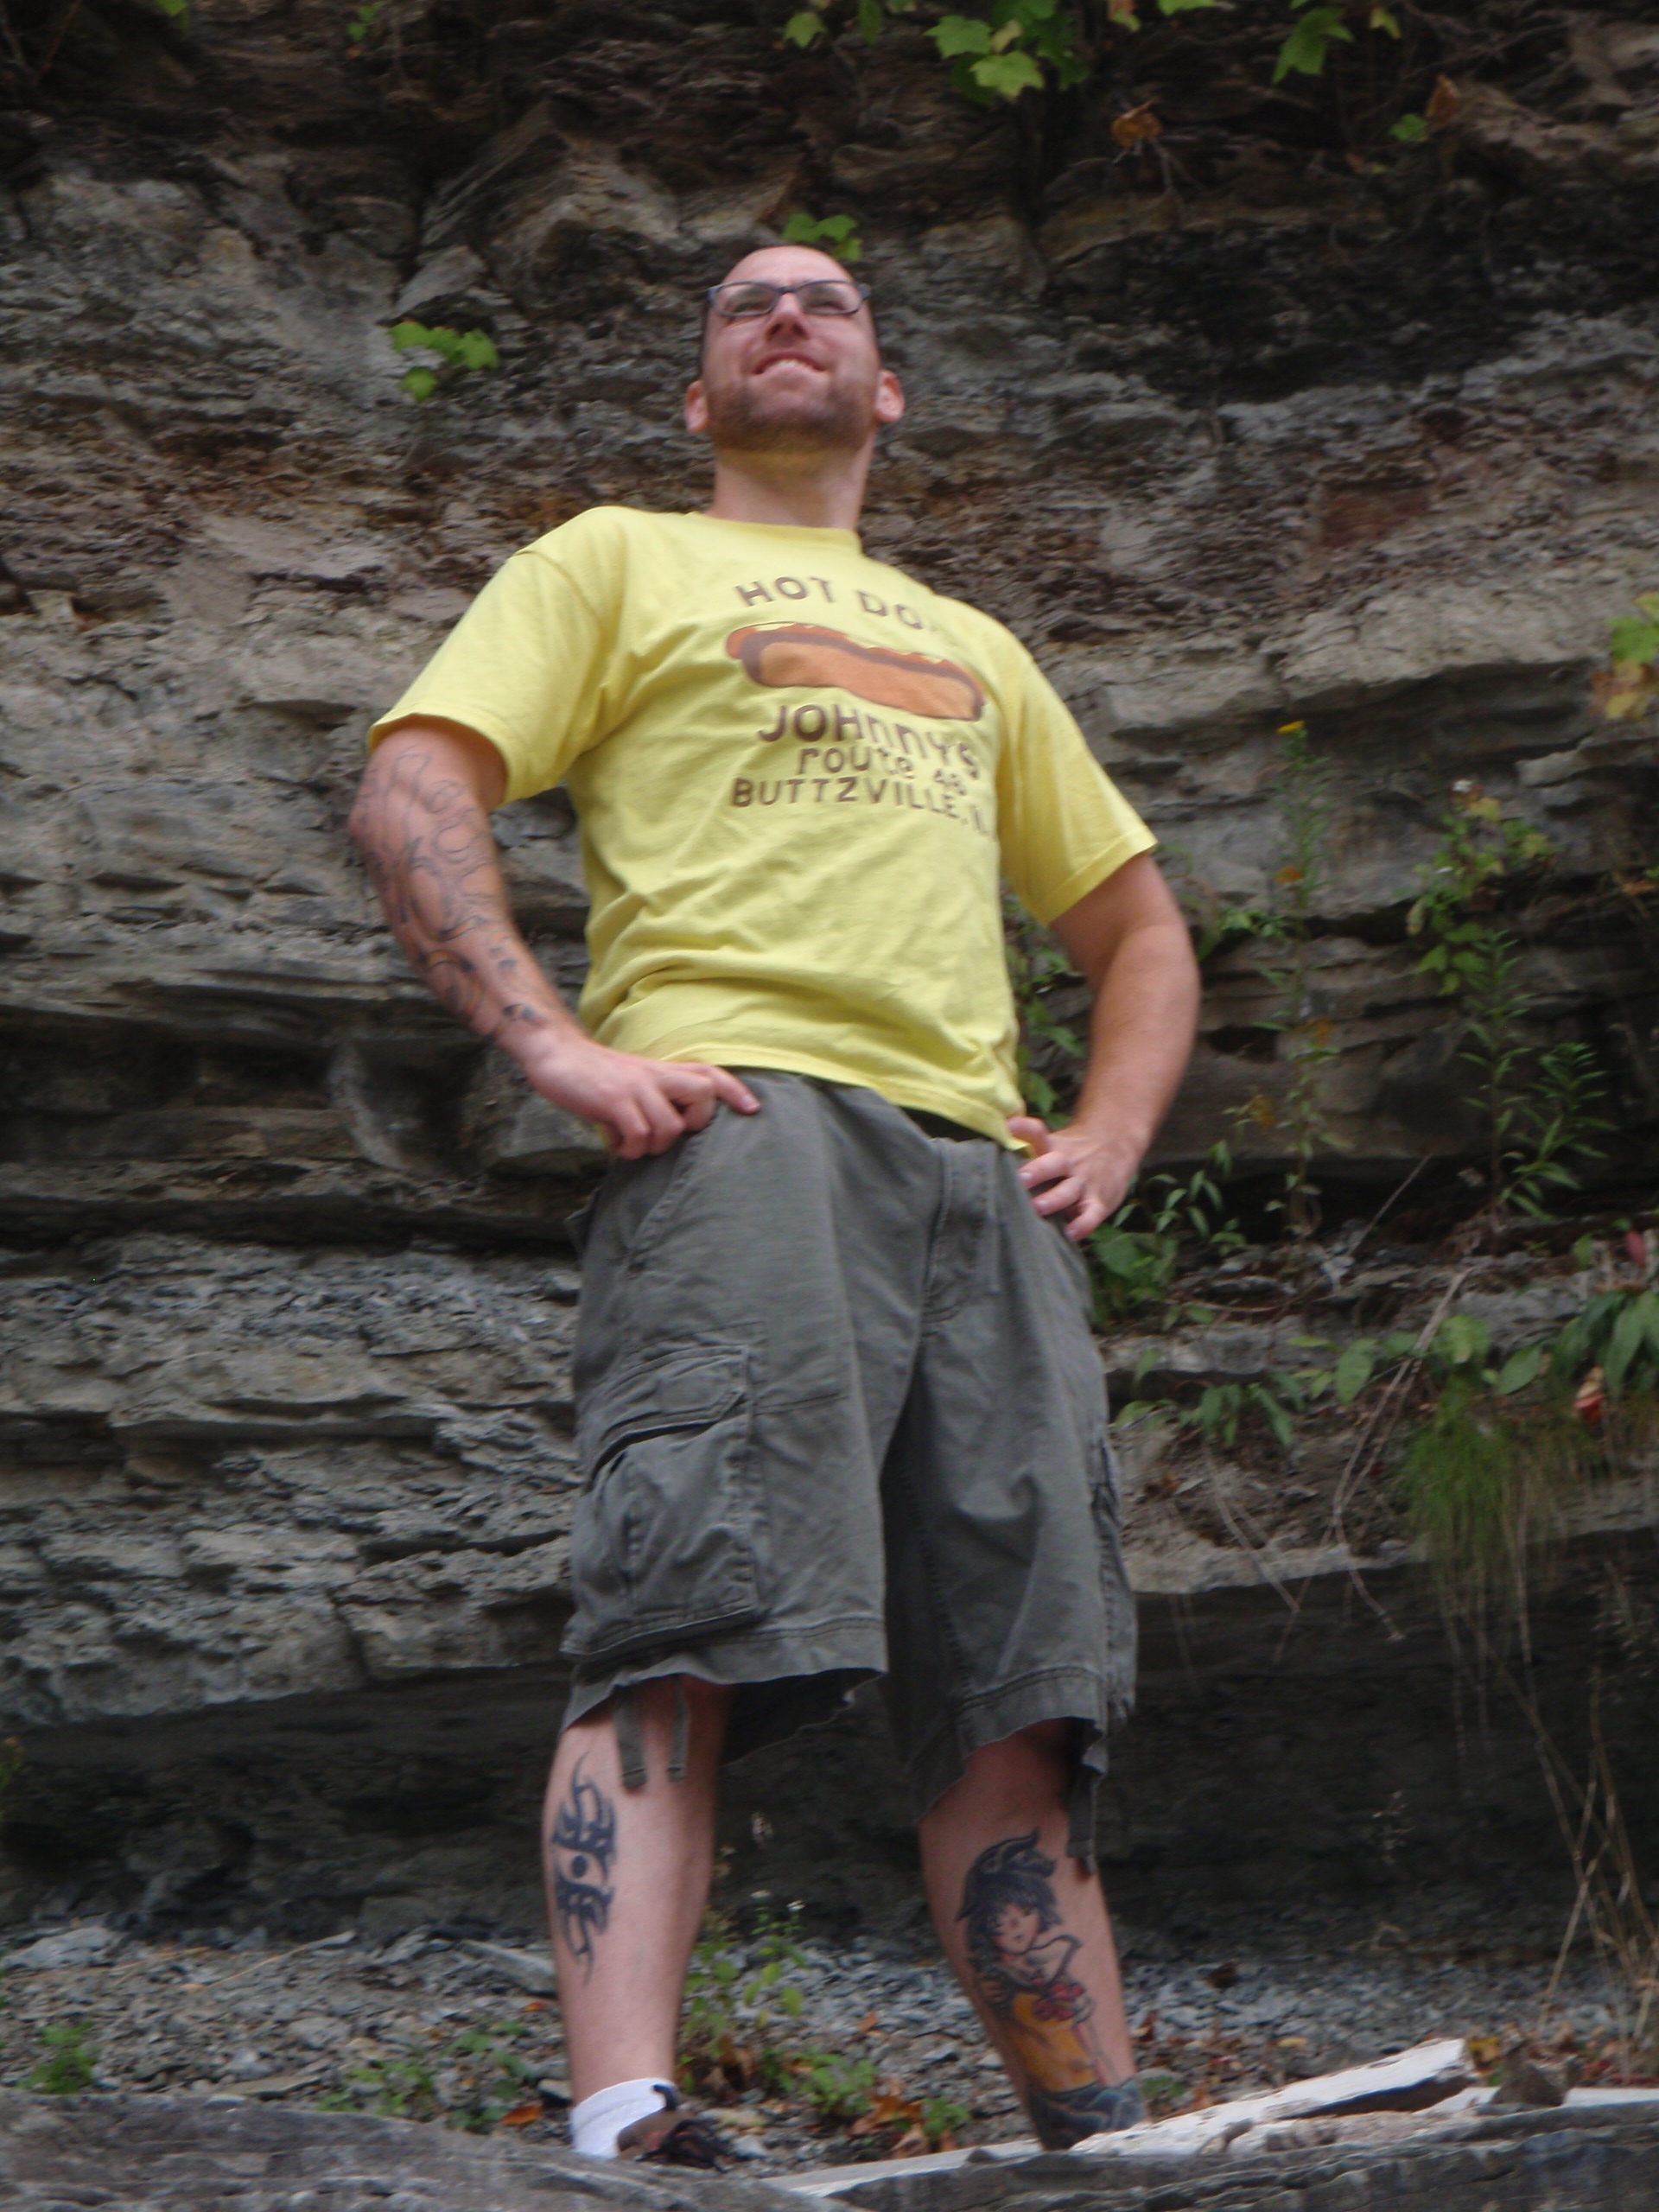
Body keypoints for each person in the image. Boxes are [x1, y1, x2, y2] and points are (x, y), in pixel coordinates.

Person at [350, 245, 1200, 2168]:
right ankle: (625, 2121)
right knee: (684, 1609)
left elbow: (1139, 930)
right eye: (745, 306)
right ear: (699, 396)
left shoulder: (976, 645)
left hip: (980, 1172)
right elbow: (415, 784)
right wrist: (554, 1045)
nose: (788, 316)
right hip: (745, 1125)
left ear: (886, 387)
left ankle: (1102, 2143)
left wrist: (1110, 1131)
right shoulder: (616, 561)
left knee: (1026, 1688)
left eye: (826, 302)